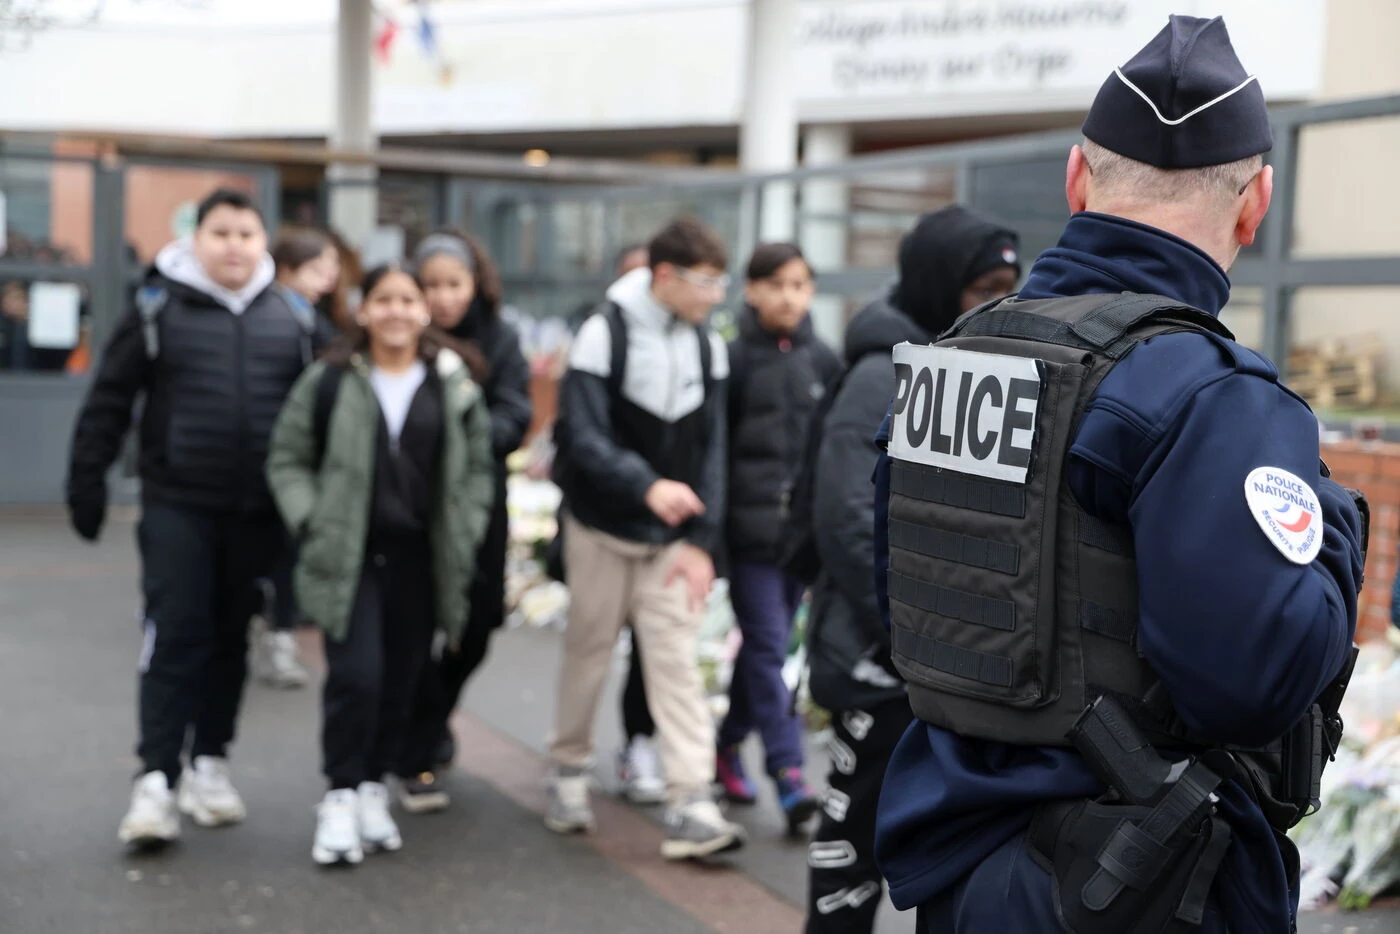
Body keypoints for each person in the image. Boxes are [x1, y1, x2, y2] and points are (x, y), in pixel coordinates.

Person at [873, 17, 1366, 934]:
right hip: (1136, 883)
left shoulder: (954, 357)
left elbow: (908, 601)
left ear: (1076, 177)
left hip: (960, 864)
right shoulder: (1216, 398)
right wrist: (1333, 528)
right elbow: (1255, 686)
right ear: (1256, 204)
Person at [66, 188, 318, 847]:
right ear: (195, 240)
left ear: (263, 243)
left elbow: (325, 411)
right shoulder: (158, 309)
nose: (234, 246)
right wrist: (86, 482)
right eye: (221, 233)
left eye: (246, 234)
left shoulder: (292, 317)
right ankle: (155, 779)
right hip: (178, 504)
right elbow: (110, 400)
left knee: (231, 638)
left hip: (257, 513)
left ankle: (210, 763)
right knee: (176, 634)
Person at [802, 207, 1020, 932]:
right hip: (882, 655)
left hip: (943, 656)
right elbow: (844, 519)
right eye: (981, 288)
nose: (997, 302)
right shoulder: (881, 372)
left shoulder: (971, 362)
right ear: (935, 283)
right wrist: (908, 628)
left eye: (1008, 287)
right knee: (854, 838)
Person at [265, 262, 495, 865]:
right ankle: (340, 793)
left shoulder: (452, 384)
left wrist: (467, 524)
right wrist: (312, 519)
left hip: (422, 556)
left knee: (402, 678)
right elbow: (288, 456)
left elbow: (478, 467)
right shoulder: (330, 380)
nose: (397, 311)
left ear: (425, 311)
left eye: (408, 300)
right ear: (363, 310)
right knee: (357, 677)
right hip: (351, 553)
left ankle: (373, 786)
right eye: (384, 300)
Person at [547, 216, 747, 860]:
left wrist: (702, 541)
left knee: (677, 664)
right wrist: (646, 485)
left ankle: (691, 800)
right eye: (705, 281)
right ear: (664, 275)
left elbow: (714, 450)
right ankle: (568, 771)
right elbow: (580, 437)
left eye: (720, 281)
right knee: (588, 654)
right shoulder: (603, 331)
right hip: (599, 529)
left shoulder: (709, 343)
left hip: (670, 541)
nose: (716, 295)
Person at [392, 230, 533, 811]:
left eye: (454, 284)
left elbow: (515, 414)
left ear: (476, 284)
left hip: (479, 503)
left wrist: (463, 443)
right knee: (418, 621)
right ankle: (416, 745)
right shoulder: (401, 337)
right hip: (413, 505)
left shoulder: (500, 338)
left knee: (477, 623)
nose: (443, 297)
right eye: (431, 285)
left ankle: (431, 713)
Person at [715, 242, 840, 832]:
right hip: (749, 538)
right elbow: (715, 453)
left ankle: (726, 742)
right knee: (768, 647)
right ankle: (789, 774)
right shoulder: (733, 359)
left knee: (765, 650)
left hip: (801, 540)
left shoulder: (824, 360)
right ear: (752, 290)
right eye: (777, 284)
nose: (789, 297)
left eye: (800, 285)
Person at [252, 225, 343, 690]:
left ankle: (279, 636)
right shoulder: (277, 316)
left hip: (289, 453)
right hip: (270, 452)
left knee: (283, 552)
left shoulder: (309, 317)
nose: (326, 279)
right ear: (286, 270)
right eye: (316, 269)